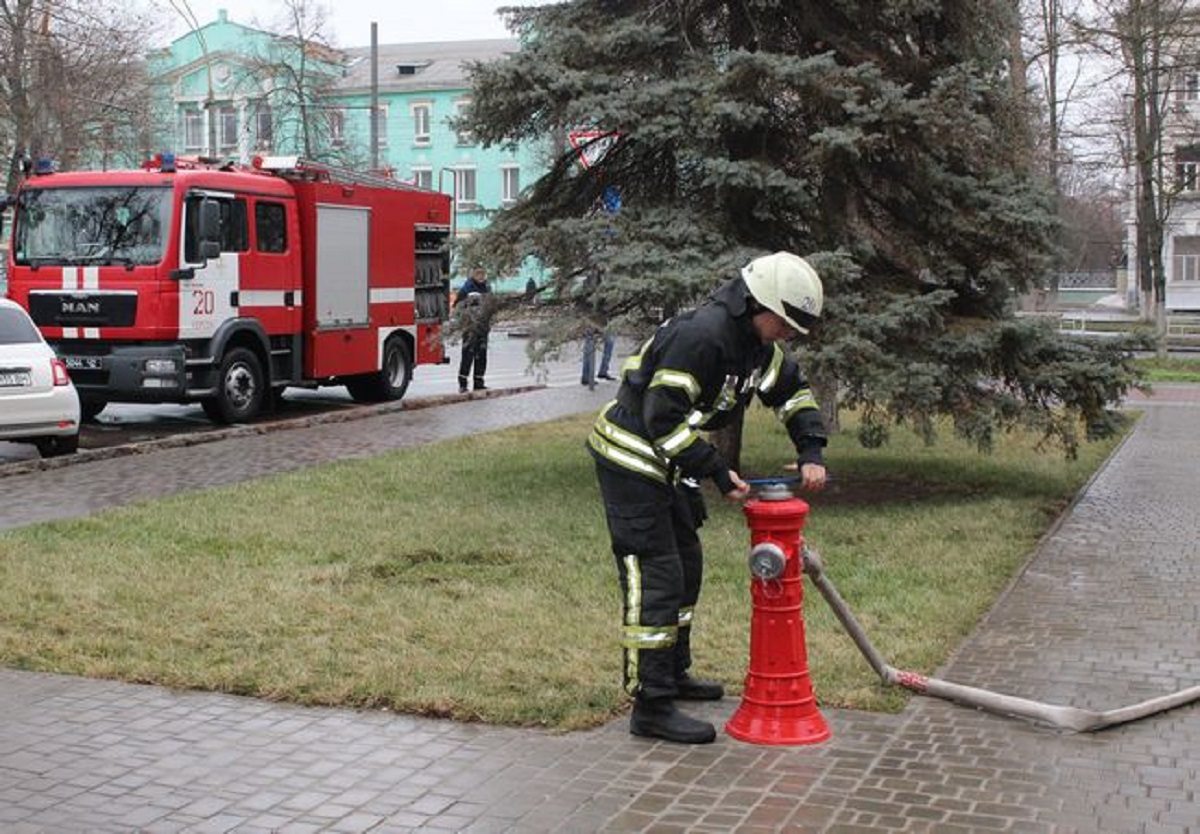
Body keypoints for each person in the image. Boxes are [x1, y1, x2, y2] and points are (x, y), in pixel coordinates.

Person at [587, 251, 829, 744]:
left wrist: (810, 448)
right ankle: (651, 705)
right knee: (657, 575)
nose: (788, 333)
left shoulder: (756, 346)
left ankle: (673, 673)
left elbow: (791, 392)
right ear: (758, 303)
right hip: (632, 456)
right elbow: (660, 418)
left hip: (667, 461)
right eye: (785, 322)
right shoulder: (702, 338)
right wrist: (715, 469)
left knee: (687, 565)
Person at [453, 266, 491, 393]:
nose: (481, 276)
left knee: (481, 355)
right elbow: (457, 307)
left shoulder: (487, 288)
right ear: (473, 274)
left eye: (482, 273)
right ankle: (463, 384)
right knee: (467, 355)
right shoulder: (467, 288)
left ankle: (479, 382)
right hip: (470, 328)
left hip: (483, 327)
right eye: (478, 273)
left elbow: (491, 306)